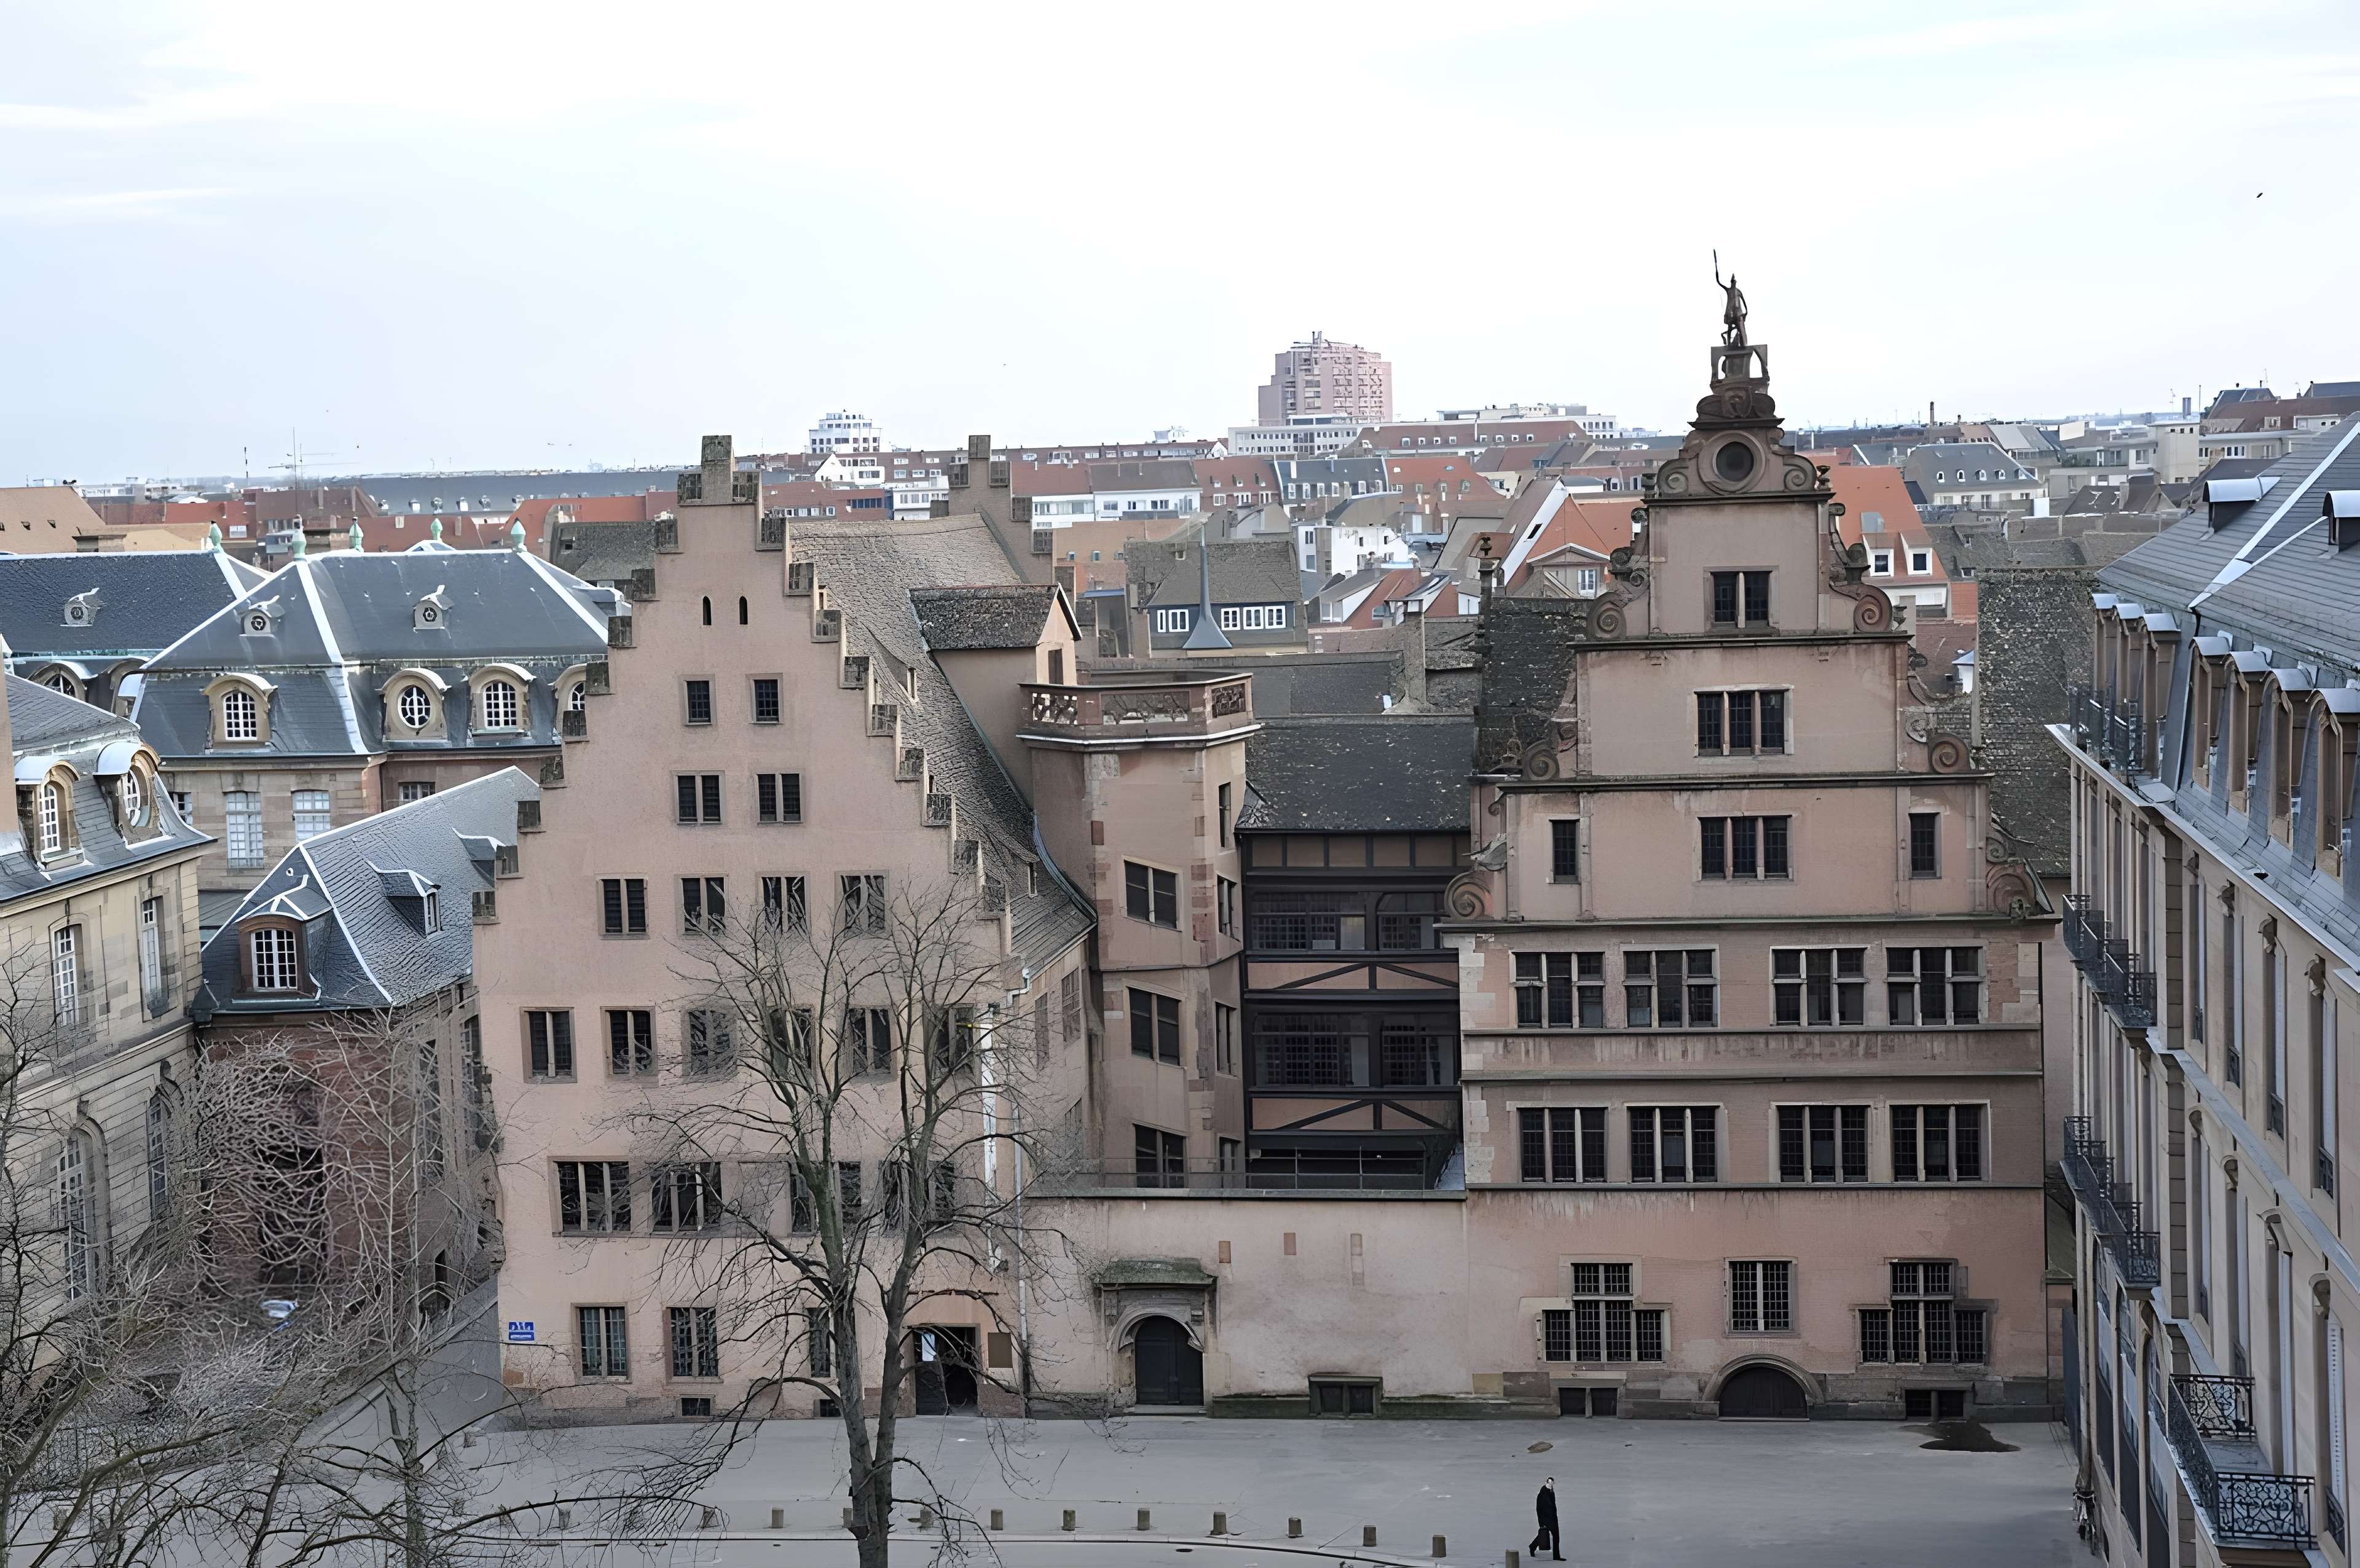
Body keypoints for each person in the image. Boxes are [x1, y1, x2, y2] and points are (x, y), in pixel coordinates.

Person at [1530, 1476, 1562, 1561]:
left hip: (1552, 1518)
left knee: (1546, 1535)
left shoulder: (1550, 1491)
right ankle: (1556, 1556)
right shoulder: (1543, 1493)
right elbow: (1540, 1509)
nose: (1552, 1485)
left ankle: (1532, 1546)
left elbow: (1552, 1506)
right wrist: (1542, 1521)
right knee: (1554, 1536)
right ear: (1547, 1482)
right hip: (1547, 1519)